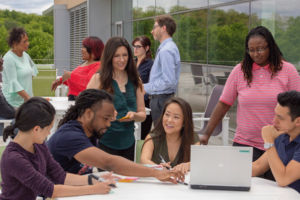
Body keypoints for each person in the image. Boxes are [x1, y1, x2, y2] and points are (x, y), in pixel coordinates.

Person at [200, 26, 300, 181]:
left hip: (279, 146)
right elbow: (223, 104)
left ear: (270, 46)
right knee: (240, 188)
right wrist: (207, 133)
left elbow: (297, 107)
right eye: (251, 50)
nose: (255, 54)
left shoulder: (288, 71)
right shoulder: (239, 71)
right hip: (244, 144)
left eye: (260, 49)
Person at [47, 89, 184, 184]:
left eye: (110, 118)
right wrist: (156, 173)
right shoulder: (70, 136)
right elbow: (109, 162)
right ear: (88, 113)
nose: (108, 124)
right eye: (105, 118)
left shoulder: (88, 131)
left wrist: (157, 169)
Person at [0, 97, 120, 200]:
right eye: (48, 129)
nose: (48, 134)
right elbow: (51, 190)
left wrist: (94, 179)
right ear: (36, 129)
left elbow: (60, 176)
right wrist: (93, 189)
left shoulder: (38, 144)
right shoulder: (14, 158)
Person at [87, 36, 146, 162]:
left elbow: (143, 114)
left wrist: (134, 115)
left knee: (126, 181)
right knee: (108, 181)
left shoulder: (136, 81)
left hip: (128, 142)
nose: (121, 59)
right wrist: (104, 115)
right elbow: (83, 109)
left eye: (125, 55)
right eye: (116, 56)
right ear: (109, 57)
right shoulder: (98, 79)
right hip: (104, 142)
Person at [252, 90, 300, 193]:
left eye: (280, 118)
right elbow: (258, 166)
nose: (274, 121)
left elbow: (283, 179)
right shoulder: (282, 135)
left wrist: (269, 141)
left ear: (298, 121)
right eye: (275, 114)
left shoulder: (275, 137)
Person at [140, 98, 200, 174]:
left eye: (176, 117)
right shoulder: (152, 137)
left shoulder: (192, 137)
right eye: (167, 115)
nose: (169, 120)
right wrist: (158, 168)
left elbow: (199, 161)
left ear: (185, 122)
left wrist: (186, 165)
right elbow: (143, 160)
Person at [144, 14, 181, 126]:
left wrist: (144, 87)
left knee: (162, 137)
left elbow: (168, 81)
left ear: (163, 28)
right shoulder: (168, 48)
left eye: (154, 27)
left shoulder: (166, 50)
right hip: (162, 99)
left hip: (161, 100)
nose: (152, 31)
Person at [51, 36, 104, 100]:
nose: (81, 49)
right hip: (73, 99)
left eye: (84, 47)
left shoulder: (98, 65)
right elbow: (75, 80)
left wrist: (69, 75)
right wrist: (61, 80)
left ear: (93, 50)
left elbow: (89, 82)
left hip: (84, 101)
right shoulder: (84, 63)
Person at [2, 27, 38, 108]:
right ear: (14, 43)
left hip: (27, 100)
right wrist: (28, 98)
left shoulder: (25, 55)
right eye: (24, 41)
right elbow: (13, 82)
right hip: (13, 103)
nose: (28, 43)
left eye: (27, 40)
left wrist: (27, 80)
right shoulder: (8, 59)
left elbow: (33, 67)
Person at [132, 36, 154, 140]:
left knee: (142, 135)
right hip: (131, 101)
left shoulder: (151, 65)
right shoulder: (130, 63)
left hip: (144, 103)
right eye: (134, 46)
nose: (135, 49)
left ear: (146, 48)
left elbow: (152, 85)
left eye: (138, 46)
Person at [0, 57, 16, 136]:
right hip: (2, 122)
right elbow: (4, 110)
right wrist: (20, 113)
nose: (2, 60)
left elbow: (4, 102)